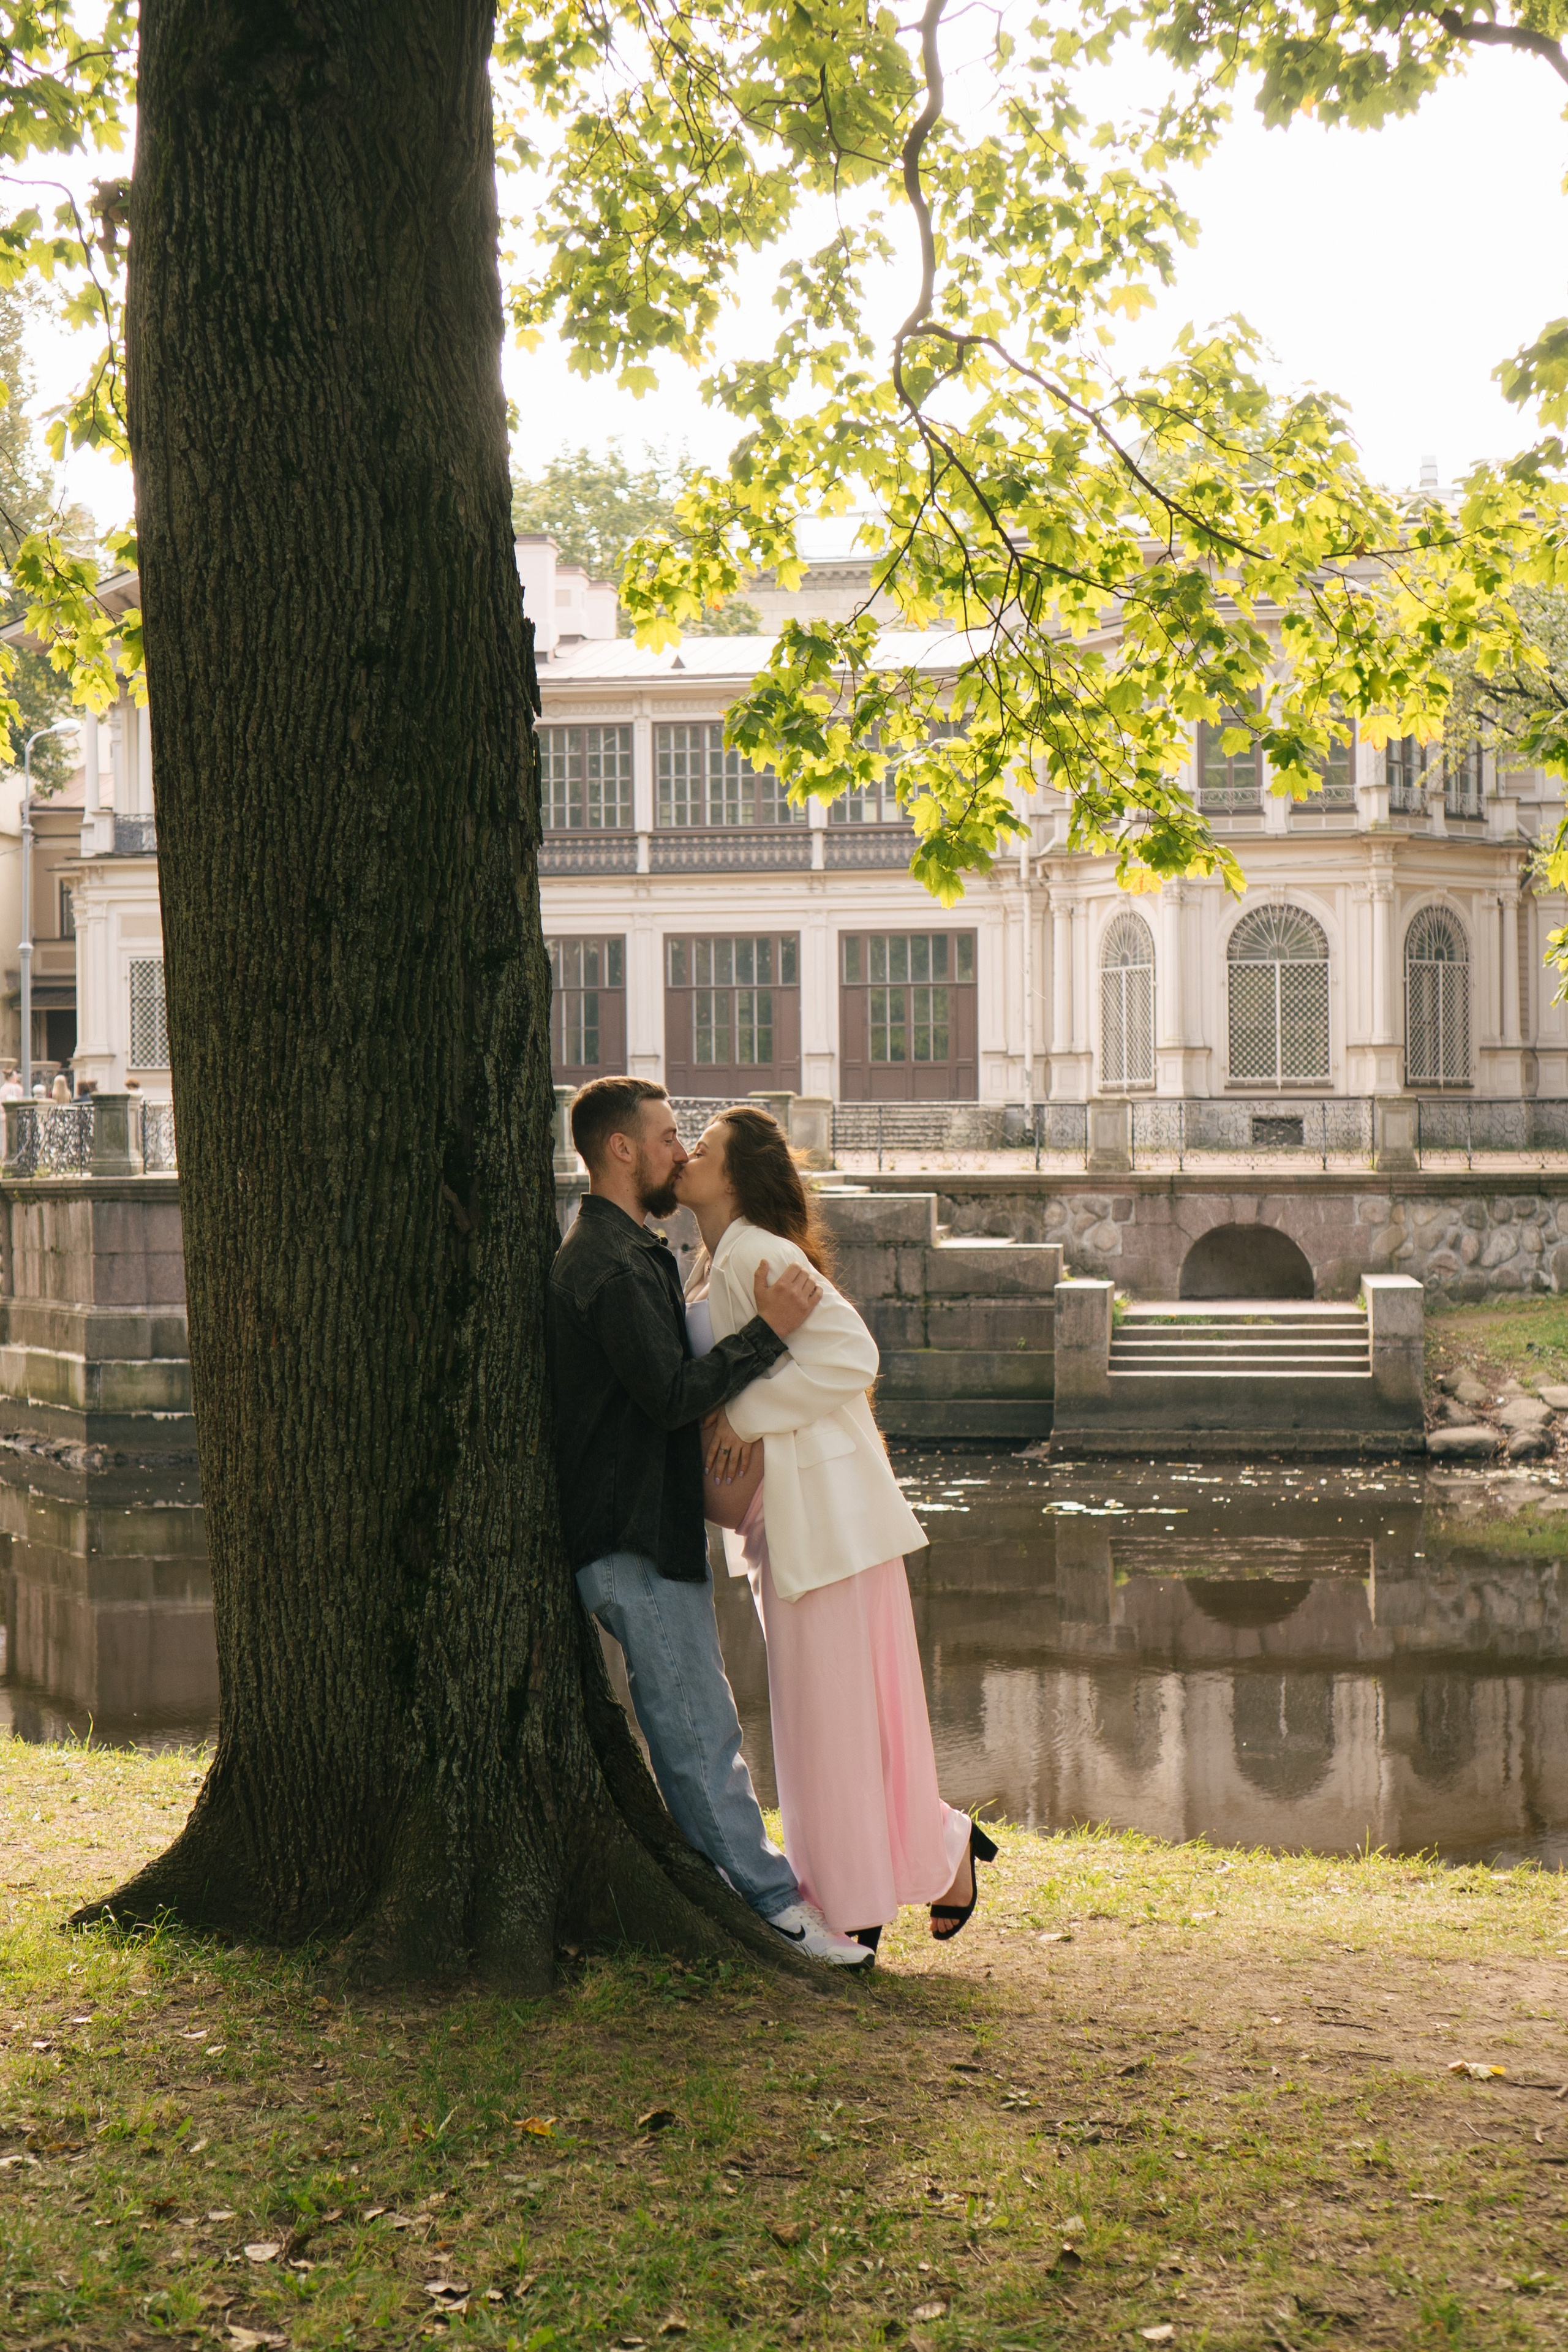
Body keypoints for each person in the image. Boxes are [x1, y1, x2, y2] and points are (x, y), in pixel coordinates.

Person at [548, 1075, 873, 1969]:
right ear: (622, 1149)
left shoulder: (632, 1252)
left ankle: (746, 1895)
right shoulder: (609, 1263)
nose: (678, 1150)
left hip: (646, 1531)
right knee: (699, 1732)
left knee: (698, 1721)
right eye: (665, 1137)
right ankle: (776, 1909)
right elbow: (669, 1394)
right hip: (630, 1537)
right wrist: (769, 1331)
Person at [676, 1105, 997, 1955]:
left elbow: (853, 1353)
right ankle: (930, 1855)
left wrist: (743, 1419)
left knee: (832, 1721)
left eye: (701, 1148)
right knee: (835, 1717)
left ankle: (857, 1900)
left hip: (821, 1517)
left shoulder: (759, 1252)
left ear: (736, 1175)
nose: (686, 1156)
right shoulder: (719, 1258)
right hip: (788, 1520)